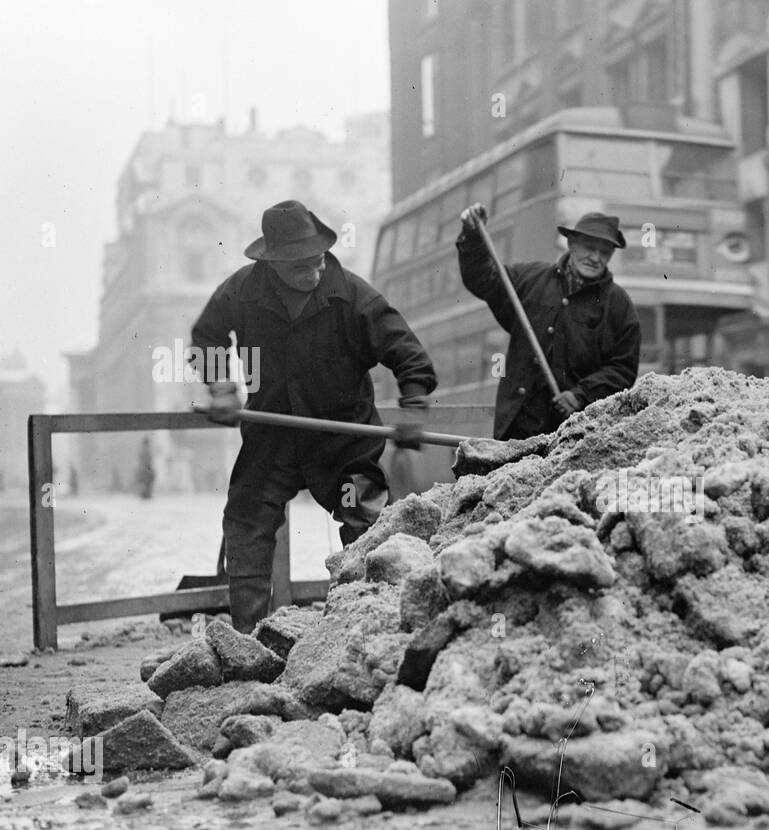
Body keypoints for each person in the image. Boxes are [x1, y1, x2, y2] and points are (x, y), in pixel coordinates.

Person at [191, 199, 438, 633]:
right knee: (248, 520)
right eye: (301, 265)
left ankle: (366, 625)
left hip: (342, 445)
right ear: (272, 263)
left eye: (318, 259)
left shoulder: (353, 296)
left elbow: (409, 354)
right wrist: (222, 388)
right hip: (273, 439)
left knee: (363, 521)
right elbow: (206, 336)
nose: (315, 271)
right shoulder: (243, 291)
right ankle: (248, 638)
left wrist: (414, 406)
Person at [457, 204, 641, 440]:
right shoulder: (530, 279)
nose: (595, 258)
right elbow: (483, 278)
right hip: (516, 428)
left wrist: (581, 395)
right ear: (571, 244)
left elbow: (623, 368)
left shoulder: (618, 304)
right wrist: (472, 236)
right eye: (589, 248)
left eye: (604, 252)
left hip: (573, 436)